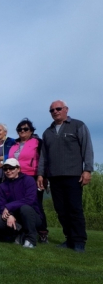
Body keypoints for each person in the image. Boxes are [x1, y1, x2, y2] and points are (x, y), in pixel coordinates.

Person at [37, 100, 94, 252]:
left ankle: (79, 241)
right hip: (54, 177)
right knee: (61, 210)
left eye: (58, 108)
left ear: (66, 109)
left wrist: (87, 170)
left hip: (73, 175)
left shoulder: (78, 125)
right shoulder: (47, 132)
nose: (55, 111)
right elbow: (43, 156)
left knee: (74, 209)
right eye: (52, 110)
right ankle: (69, 239)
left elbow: (87, 148)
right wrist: (41, 174)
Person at [8, 118, 49, 242]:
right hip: (16, 178)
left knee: (35, 204)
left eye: (25, 129)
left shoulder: (37, 142)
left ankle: (42, 232)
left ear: (31, 131)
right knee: (18, 204)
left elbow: (44, 160)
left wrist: (43, 176)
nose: (22, 131)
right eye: (20, 129)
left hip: (32, 176)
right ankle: (21, 231)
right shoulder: (14, 144)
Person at [0, 158, 42, 249]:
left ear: (18, 169)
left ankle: (31, 239)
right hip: (14, 216)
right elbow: (1, 205)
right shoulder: (3, 185)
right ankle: (19, 234)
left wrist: (9, 206)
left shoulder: (29, 180)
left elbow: (29, 200)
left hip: (32, 215)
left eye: (11, 168)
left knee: (25, 208)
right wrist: (10, 215)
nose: (8, 171)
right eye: (5, 169)